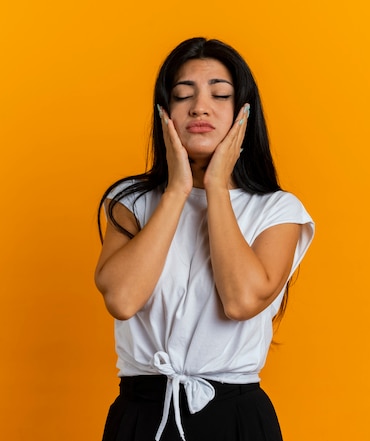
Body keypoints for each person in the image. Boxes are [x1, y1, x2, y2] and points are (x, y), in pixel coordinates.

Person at [95, 37, 315, 441]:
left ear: (244, 114)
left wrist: (216, 185)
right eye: (183, 95)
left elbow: (241, 301)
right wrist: (178, 190)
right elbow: (123, 300)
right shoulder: (132, 201)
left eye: (220, 94)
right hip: (143, 416)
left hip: (235, 419)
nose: (200, 106)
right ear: (166, 113)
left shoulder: (278, 210)